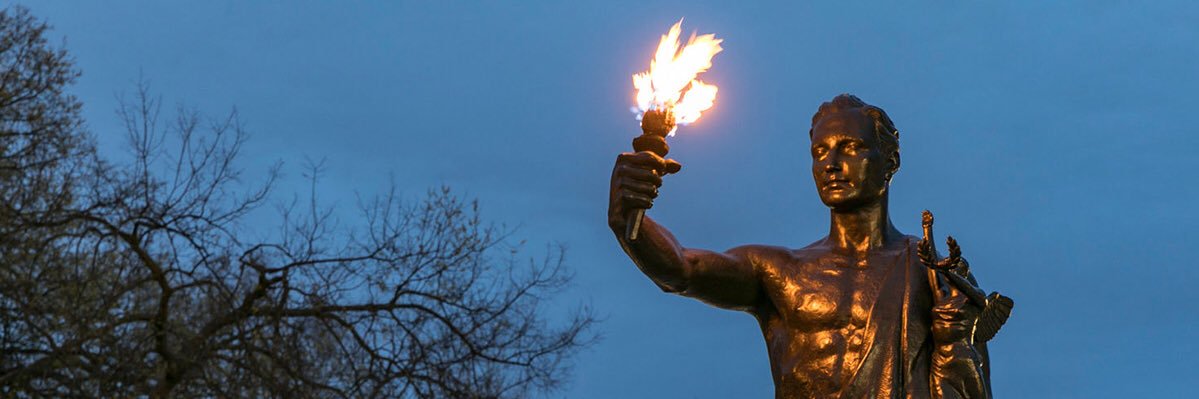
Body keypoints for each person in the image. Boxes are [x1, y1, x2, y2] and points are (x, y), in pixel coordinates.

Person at [608, 94, 993, 398]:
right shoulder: (780, 271)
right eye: (820, 152)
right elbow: (680, 269)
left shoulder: (931, 272)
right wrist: (629, 218)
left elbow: (973, 389)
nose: (832, 163)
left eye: (851, 147)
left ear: (890, 161)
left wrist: (954, 341)